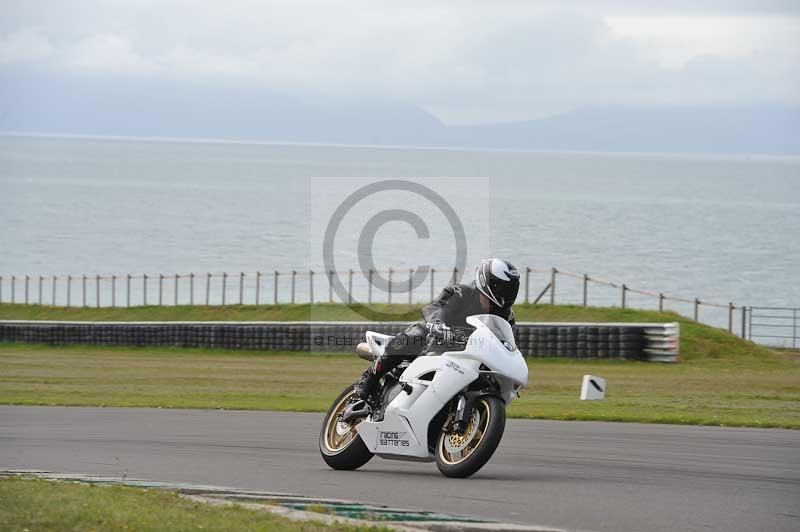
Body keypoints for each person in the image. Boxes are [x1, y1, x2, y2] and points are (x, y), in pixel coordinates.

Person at [353, 258, 521, 400]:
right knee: (414, 336)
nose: (506, 293)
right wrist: (438, 324)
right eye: (503, 287)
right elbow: (436, 308)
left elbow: (507, 345)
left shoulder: (506, 316)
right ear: (489, 282)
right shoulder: (461, 292)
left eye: (510, 289)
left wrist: (511, 368)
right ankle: (369, 378)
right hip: (437, 341)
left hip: (469, 356)